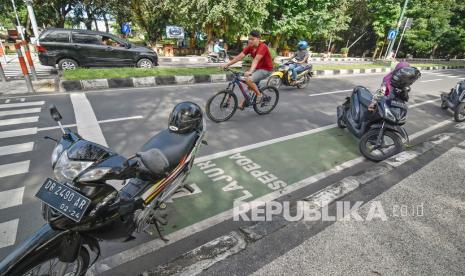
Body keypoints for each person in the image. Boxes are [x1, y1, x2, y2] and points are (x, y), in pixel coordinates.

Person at [222, 30, 273, 109]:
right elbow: (240, 56)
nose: (250, 41)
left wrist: (250, 71)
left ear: (258, 39)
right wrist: (227, 64)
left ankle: (260, 95)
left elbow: (256, 60)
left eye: (252, 39)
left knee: (249, 80)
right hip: (257, 68)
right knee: (249, 85)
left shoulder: (263, 47)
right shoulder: (250, 47)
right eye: (249, 39)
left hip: (266, 69)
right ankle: (244, 103)